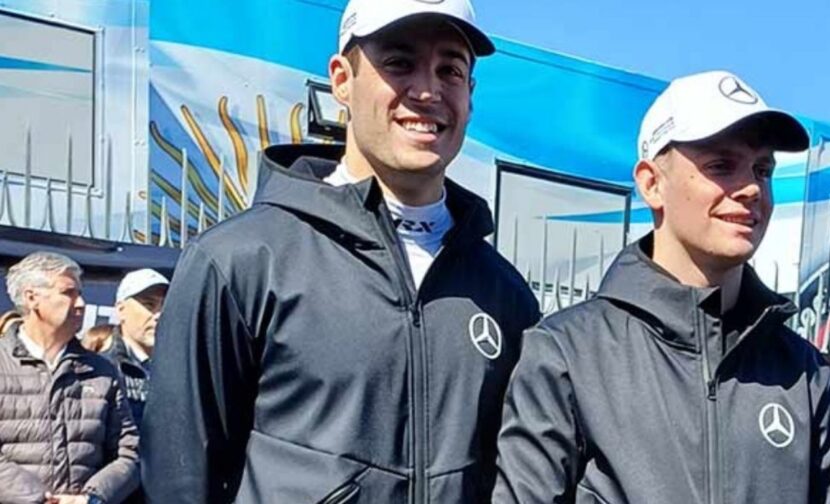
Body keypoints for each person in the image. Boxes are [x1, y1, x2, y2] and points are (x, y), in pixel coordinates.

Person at [141, 0, 540, 502]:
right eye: (399, 63)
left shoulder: (506, 296)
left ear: (470, 94)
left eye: (450, 70)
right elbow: (179, 481)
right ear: (341, 81)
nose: (427, 91)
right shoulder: (239, 260)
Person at [492, 71, 830, 504]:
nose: (750, 189)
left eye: (762, 170)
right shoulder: (566, 353)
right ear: (652, 183)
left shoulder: (803, 371)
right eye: (721, 166)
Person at [1, 252, 139, 504]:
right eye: (68, 293)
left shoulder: (102, 371)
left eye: (80, 293)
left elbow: (129, 453)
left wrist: (92, 497)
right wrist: (38, 498)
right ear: (32, 298)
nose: (81, 303)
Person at [101, 269, 169, 424]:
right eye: (149, 305)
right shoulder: (103, 370)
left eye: (165, 306)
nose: (159, 314)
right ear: (121, 310)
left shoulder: (182, 369)